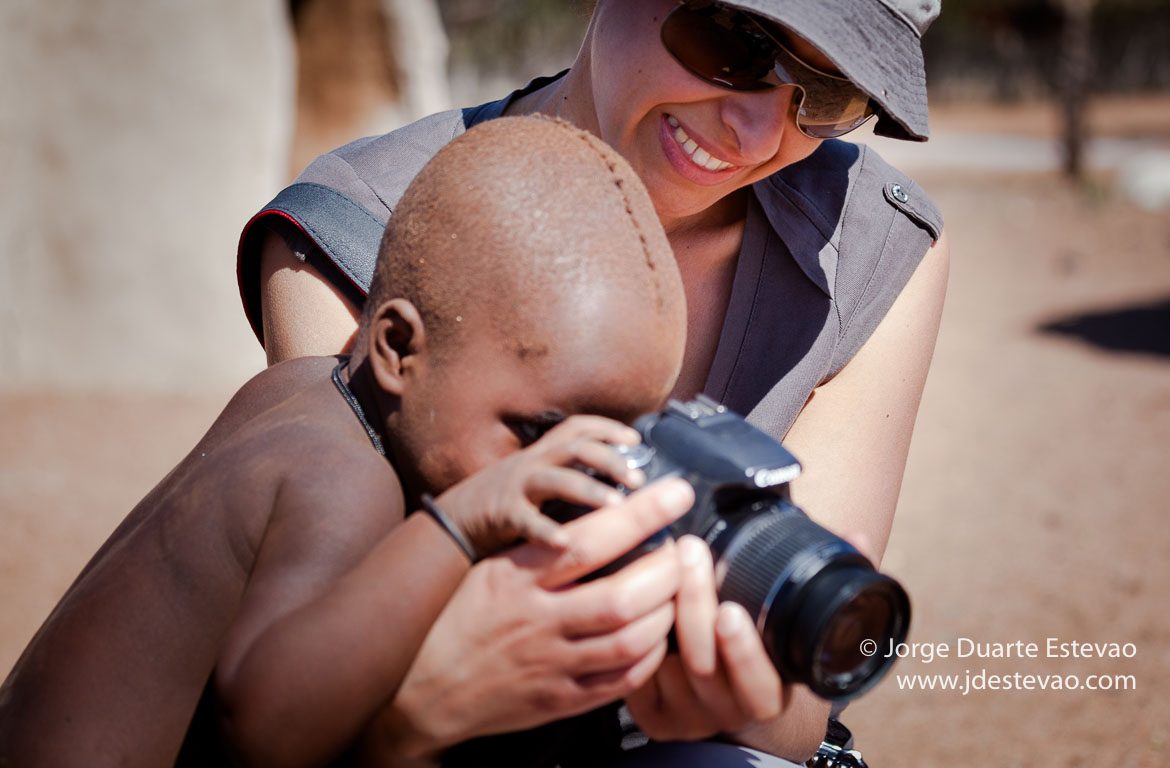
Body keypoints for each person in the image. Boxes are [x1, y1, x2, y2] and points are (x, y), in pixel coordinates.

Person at [237, 0, 950, 762]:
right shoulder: (356, 237)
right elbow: (300, 708)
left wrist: (752, 697)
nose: (757, 134)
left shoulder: (877, 245)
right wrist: (421, 711)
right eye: (734, 44)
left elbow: (793, 716)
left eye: (830, 95)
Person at [0, 116, 698, 767]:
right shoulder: (344, 481)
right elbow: (270, 728)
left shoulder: (300, 390)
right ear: (397, 347)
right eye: (536, 432)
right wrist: (458, 524)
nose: (559, 470)